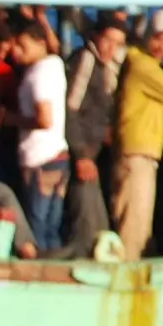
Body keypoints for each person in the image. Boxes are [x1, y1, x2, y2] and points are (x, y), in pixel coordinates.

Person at [110, 12, 163, 261]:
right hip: (137, 153)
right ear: (147, 36)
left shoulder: (144, 68)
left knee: (140, 221)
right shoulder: (142, 66)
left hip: (143, 152)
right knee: (133, 224)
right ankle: (127, 274)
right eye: (159, 39)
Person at [51, 17, 127, 259]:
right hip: (80, 153)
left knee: (97, 215)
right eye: (107, 41)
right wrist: (81, 154)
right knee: (84, 215)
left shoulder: (109, 67)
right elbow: (70, 109)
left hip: (94, 152)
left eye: (117, 44)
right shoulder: (85, 60)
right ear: (96, 37)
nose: (111, 48)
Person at [9, 20, 70, 256]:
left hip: (40, 158)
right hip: (59, 155)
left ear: (40, 43)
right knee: (52, 227)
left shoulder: (38, 74)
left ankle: (42, 274)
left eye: (22, 46)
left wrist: (13, 120)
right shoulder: (55, 66)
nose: (16, 52)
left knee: (37, 226)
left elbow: (44, 119)